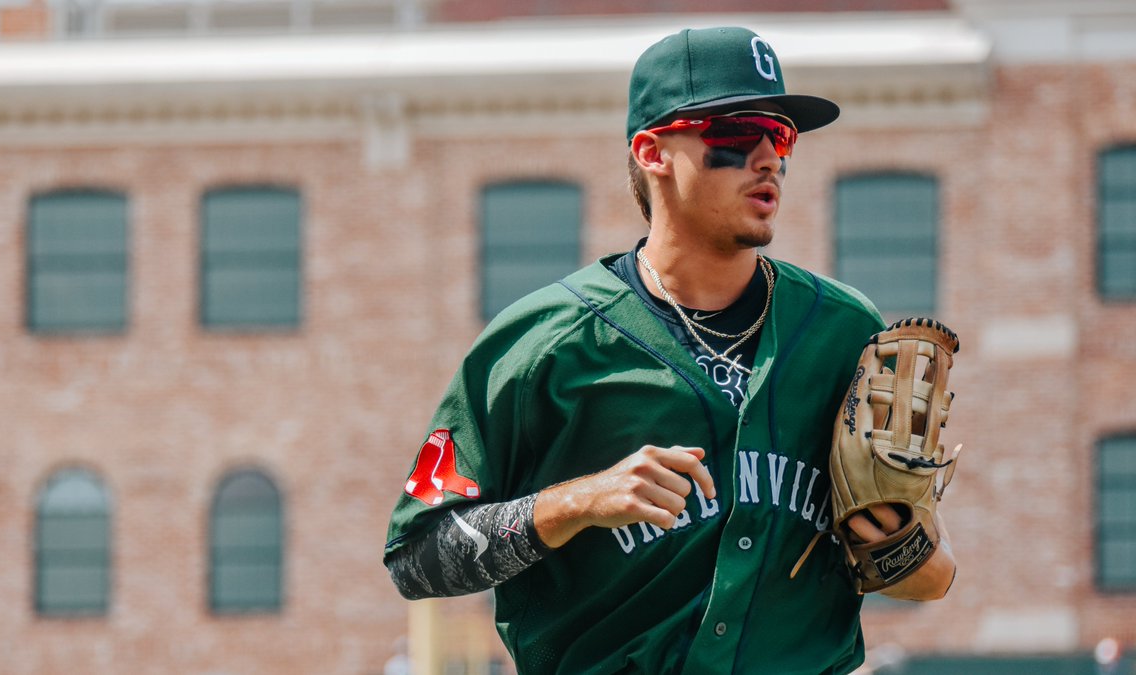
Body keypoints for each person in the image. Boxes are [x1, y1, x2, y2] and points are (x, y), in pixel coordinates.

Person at [383, 26, 956, 674]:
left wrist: (901, 547)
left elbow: (930, 576)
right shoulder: (545, 345)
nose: (768, 157)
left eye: (782, 136)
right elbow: (415, 556)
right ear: (652, 150)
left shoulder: (843, 331)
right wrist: (576, 502)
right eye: (738, 135)